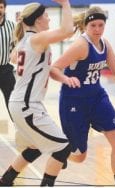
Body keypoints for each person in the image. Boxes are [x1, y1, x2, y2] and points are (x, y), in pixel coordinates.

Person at [49, 6, 115, 186]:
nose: (98, 29)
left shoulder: (105, 44)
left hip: (97, 98)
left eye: (101, 25)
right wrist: (66, 79)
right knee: (79, 157)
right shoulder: (80, 45)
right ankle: (59, 150)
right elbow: (54, 69)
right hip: (74, 101)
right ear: (86, 26)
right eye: (93, 25)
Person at [0, 0, 73, 186]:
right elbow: (66, 31)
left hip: (23, 104)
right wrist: (65, 4)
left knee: (35, 147)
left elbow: (16, 58)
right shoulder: (36, 39)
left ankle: (6, 180)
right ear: (39, 19)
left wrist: (64, 79)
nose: (49, 18)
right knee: (63, 149)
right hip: (27, 106)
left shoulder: (27, 40)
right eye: (47, 15)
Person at [0, 0, 16, 121]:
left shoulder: (12, 26)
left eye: (0, 7)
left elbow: (17, 46)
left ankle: (18, 128)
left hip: (5, 69)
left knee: (13, 102)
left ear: (4, 9)